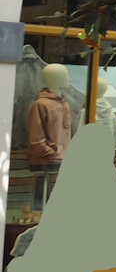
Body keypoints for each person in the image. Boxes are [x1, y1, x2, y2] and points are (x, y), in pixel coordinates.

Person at [27, 63, 73, 210]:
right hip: (48, 160)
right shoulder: (40, 105)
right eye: (64, 75)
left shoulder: (65, 103)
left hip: (62, 160)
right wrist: (51, 153)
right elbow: (36, 137)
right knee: (45, 203)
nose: (68, 78)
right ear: (53, 78)